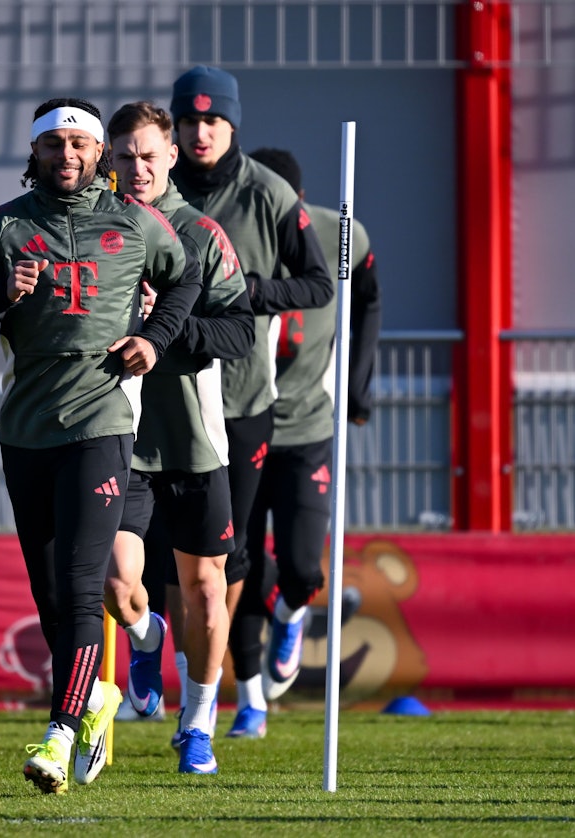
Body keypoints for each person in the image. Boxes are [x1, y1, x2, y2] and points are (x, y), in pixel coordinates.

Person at [0, 97, 202, 794]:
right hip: (25, 432)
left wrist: (152, 338)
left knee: (86, 588)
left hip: (101, 426)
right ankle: (96, 698)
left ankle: (56, 734)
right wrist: (1, 292)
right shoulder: (5, 227)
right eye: (54, 145)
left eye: (79, 144)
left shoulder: (136, 223)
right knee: (54, 597)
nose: (67, 155)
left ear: (98, 155)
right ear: (37, 154)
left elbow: (186, 278)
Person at [167, 66, 335, 738]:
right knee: (160, 556)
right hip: (158, 397)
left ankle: (241, 699)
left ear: (232, 124)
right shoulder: (153, 183)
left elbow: (318, 285)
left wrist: (251, 293)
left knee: (229, 558)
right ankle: (163, 677)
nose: (200, 132)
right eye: (189, 120)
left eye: (212, 121)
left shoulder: (267, 195)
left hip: (239, 401)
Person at [105, 101, 255, 775]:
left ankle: (196, 727)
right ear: (108, 159)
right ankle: (144, 638)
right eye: (125, 157)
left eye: (147, 156)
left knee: (204, 589)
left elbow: (237, 332)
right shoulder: (94, 227)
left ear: (170, 158)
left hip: (192, 438)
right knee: (114, 583)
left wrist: (161, 331)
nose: (136, 169)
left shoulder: (201, 235)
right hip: (115, 433)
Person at [231, 147, 381, 719]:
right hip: (241, 418)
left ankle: (291, 614)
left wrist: (358, 384)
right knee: (235, 562)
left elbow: (368, 294)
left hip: (307, 425)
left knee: (300, 566)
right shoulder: (230, 236)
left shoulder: (340, 235)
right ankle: (249, 702)